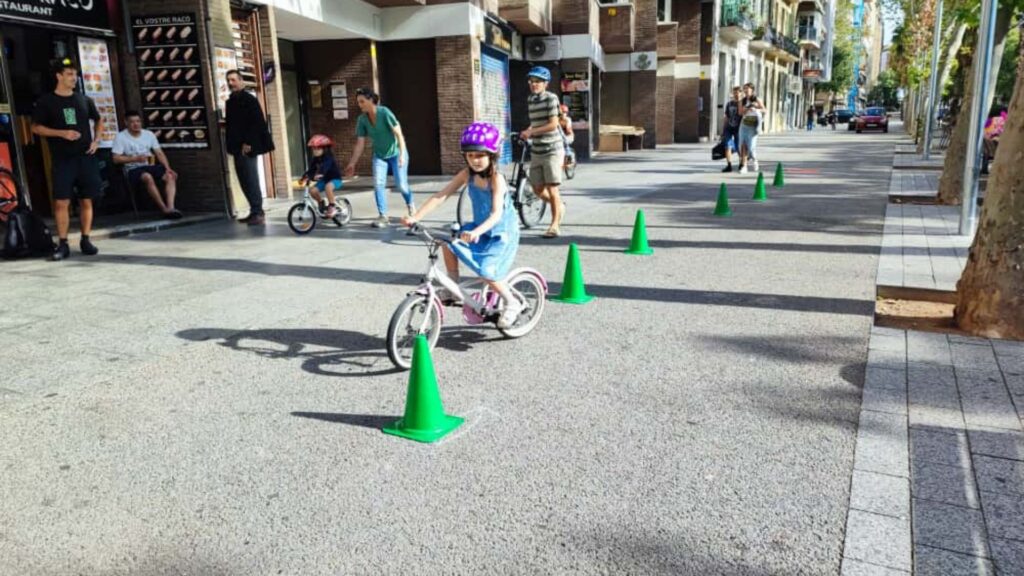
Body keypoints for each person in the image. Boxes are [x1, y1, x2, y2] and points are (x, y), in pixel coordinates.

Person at [401, 122, 522, 328]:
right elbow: (441, 195)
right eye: (470, 155)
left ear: (492, 155)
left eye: (480, 155)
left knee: (486, 271)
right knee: (448, 242)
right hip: (479, 229)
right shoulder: (467, 174)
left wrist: (476, 232)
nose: (474, 160)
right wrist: (415, 217)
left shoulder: (497, 179)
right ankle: (453, 287)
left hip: (501, 233)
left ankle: (512, 302)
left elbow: (496, 214)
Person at [31, 58, 105, 261]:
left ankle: (86, 239)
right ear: (59, 76)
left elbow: (99, 119)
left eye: (75, 74)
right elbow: (36, 127)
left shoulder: (84, 100)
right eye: (70, 74)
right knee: (61, 201)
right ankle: (63, 243)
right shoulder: (46, 101)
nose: (74, 78)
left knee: (87, 199)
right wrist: (61, 133)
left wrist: (97, 140)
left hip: (86, 157)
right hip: (63, 159)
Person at [344, 87, 413, 229]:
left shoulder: (384, 113)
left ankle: (410, 204)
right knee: (378, 184)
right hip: (379, 156)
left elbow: (399, 134)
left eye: (362, 101)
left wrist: (402, 155)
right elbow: (360, 144)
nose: (360, 105)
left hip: (396, 153)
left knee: (401, 185)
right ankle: (383, 215)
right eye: (358, 102)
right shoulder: (362, 120)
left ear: (370, 100)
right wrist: (352, 163)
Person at [224, 69, 274, 226]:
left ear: (241, 81)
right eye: (228, 80)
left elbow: (256, 122)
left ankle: (258, 212)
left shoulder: (249, 99)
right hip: (236, 147)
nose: (230, 83)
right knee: (243, 179)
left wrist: (249, 142)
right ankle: (254, 211)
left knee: (251, 178)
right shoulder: (230, 101)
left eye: (233, 80)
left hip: (247, 147)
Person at [520, 66, 564, 238]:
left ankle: (554, 225)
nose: (534, 84)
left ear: (546, 83)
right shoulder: (531, 99)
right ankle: (559, 206)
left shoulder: (551, 98)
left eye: (538, 81)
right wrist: (527, 131)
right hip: (537, 150)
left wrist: (531, 132)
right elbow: (536, 123)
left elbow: (553, 124)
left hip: (552, 149)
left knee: (552, 189)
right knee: (537, 189)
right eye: (531, 81)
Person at [112, 110, 181, 219]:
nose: (136, 124)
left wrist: (168, 168)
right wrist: (134, 158)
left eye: (138, 121)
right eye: (132, 122)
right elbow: (116, 159)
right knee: (147, 177)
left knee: (170, 176)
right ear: (126, 123)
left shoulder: (148, 134)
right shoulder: (121, 137)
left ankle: (171, 208)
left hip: (150, 165)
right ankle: (164, 209)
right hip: (133, 168)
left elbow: (159, 153)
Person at [298, 134, 343, 219]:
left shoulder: (328, 158)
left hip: (335, 179)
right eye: (314, 149)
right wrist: (305, 177)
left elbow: (324, 168)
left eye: (318, 148)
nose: (315, 151)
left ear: (324, 149)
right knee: (312, 191)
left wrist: (317, 175)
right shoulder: (316, 159)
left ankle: (332, 206)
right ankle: (321, 202)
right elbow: (311, 170)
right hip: (324, 180)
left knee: (328, 187)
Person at [737, 83, 763, 174]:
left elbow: (764, 109)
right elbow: (740, 113)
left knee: (751, 147)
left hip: (753, 125)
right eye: (744, 89)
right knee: (743, 145)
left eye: (747, 89)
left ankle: (754, 159)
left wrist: (755, 108)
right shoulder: (742, 101)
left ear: (752, 90)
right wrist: (747, 109)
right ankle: (744, 166)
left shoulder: (757, 99)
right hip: (744, 125)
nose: (745, 90)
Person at [721, 86, 742, 172]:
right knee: (727, 146)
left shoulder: (743, 103)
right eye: (734, 93)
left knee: (739, 147)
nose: (736, 94)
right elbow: (726, 117)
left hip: (739, 129)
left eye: (738, 93)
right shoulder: (729, 104)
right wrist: (723, 129)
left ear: (741, 93)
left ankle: (741, 164)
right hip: (728, 128)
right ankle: (729, 165)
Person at [558, 104, 576, 169]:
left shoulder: (568, 120)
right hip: (560, 137)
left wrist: (567, 128)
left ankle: (570, 156)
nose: (564, 114)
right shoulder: (557, 120)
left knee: (564, 141)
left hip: (569, 136)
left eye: (565, 112)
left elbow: (568, 129)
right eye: (562, 112)